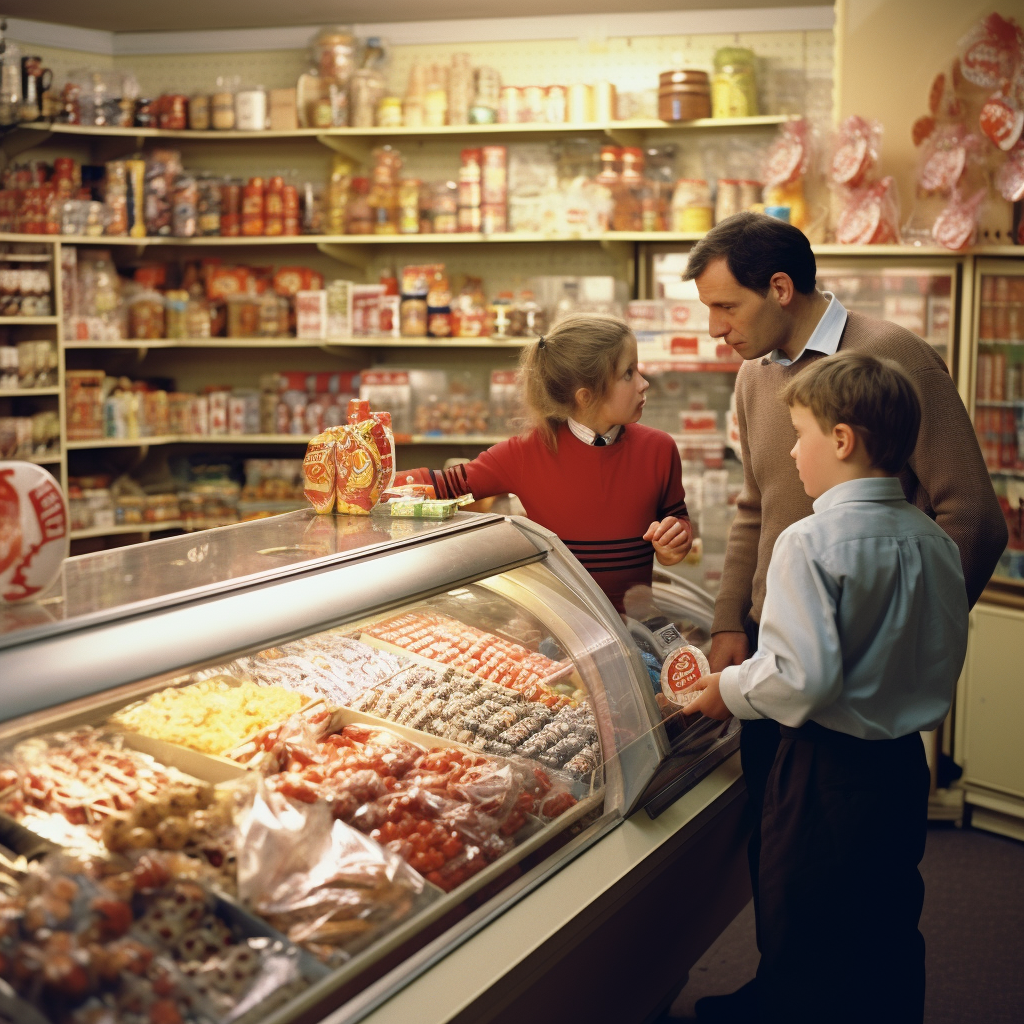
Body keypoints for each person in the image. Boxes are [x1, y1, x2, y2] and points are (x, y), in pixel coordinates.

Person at [681, 212, 1006, 1022]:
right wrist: (730, 624)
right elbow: (755, 508)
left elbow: (972, 515)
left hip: (849, 681)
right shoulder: (759, 375)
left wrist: (886, 644)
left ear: (780, 289)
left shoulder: (891, 358)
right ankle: (783, 989)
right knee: (784, 853)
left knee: (855, 874)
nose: (715, 329)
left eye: (726, 309)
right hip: (778, 651)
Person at [399, 312, 693, 611]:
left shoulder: (660, 449)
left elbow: (677, 520)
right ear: (585, 396)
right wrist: (363, 476)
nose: (644, 384)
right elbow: (443, 484)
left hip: (637, 625)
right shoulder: (525, 454)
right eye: (628, 373)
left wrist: (675, 541)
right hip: (563, 626)